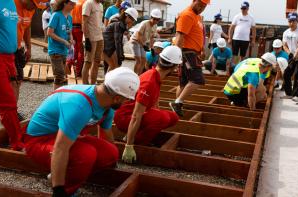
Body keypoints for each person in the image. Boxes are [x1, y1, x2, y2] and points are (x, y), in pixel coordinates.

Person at [23, 67, 139, 196]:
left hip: (65, 136)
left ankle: (66, 172)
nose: (127, 102)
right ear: (117, 98)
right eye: (127, 99)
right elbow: (60, 148)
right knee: (86, 154)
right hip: (39, 141)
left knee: (110, 153)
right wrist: (59, 190)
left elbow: (106, 133)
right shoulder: (79, 106)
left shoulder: (107, 104)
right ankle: (65, 187)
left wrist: (111, 162)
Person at [114, 46, 182, 164]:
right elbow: (136, 115)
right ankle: (135, 142)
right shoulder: (149, 81)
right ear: (174, 66)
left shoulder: (156, 75)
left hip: (133, 115)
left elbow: (154, 104)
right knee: (163, 118)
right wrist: (129, 145)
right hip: (125, 117)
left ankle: (136, 135)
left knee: (172, 117)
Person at [0, 0, 25, 151]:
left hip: (9, 57)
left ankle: (16, 140)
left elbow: (10, 29)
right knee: (7, 102)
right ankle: (17, 142)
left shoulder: (11, 2)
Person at [169, 0, 209, 117]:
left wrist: (201, 49)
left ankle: (177, 106)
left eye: (204, 6)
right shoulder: (187, 15)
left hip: (192, 53)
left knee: (183, 83)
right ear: (194, 1)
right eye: (200, 4)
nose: (202, 7)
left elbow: (197, 35)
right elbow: (180, 36)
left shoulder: (196, 16)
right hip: (187, 53)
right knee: (197, 80)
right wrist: (176, 56)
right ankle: (177, 103)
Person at [14, 0, 46, 120]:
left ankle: (12, 110)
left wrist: (29, 47)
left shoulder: (30, 10)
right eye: (33, 4)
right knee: (12, 82)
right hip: (3, 50)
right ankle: (10, 111)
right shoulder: (12, 3)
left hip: (17, 48)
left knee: (18, 80)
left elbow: (27, 27)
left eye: (36, 6)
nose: (33, 8)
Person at [48, 0, 76, 90]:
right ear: (65, 3)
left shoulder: (69, 17)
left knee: (62, 76)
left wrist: (71, 39)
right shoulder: (56, 15)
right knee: (59, 76)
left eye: (74, 4)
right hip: (55, 50)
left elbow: (69, 32)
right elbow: (50, 33)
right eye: (71, 4)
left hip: (64, 50)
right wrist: (64, 41)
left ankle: (58, 96)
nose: (74, 6)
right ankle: (55, 97)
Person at [103, 8, 138, 72]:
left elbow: (119, 42)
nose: (132, 22)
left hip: (110, 45)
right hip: (106, 46)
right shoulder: (118, 24)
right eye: (132, 19)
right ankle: (108, 81)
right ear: (127, 16)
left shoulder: (122, 24)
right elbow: (118, 42)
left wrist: (120, 55)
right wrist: (120, 56)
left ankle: (108, 80)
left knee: (115, 66)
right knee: (114, 66)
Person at [130, 8, 162, 74]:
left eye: (157, 19)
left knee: (144, 60)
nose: (155, 21)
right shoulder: (144, 23)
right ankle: (134, 75)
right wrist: (143, 45)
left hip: (142, 43)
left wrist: (152, 48)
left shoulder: (155, 26)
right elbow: (138, 35)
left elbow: (151, 38)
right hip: (135, 41)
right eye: (154, 19)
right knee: (138, 60)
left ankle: (139, 76)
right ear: (151, 17)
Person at [81, 0, 104, 84]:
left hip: (99, 36)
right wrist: (86, 38)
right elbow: (84, 21)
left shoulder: (101, 5)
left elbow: (99, 21)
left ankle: (93, 84)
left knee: (97, 61)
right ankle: (85, 86)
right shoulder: (88, 3)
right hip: (90, 37)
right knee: (88, 62)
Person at [66, 0, 85, 78]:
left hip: (71, 27)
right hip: (80, 28)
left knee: (72, 48)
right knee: (81, 50)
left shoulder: (73, 1)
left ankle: (68, 65)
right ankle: (78, 71)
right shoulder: (84, 2)